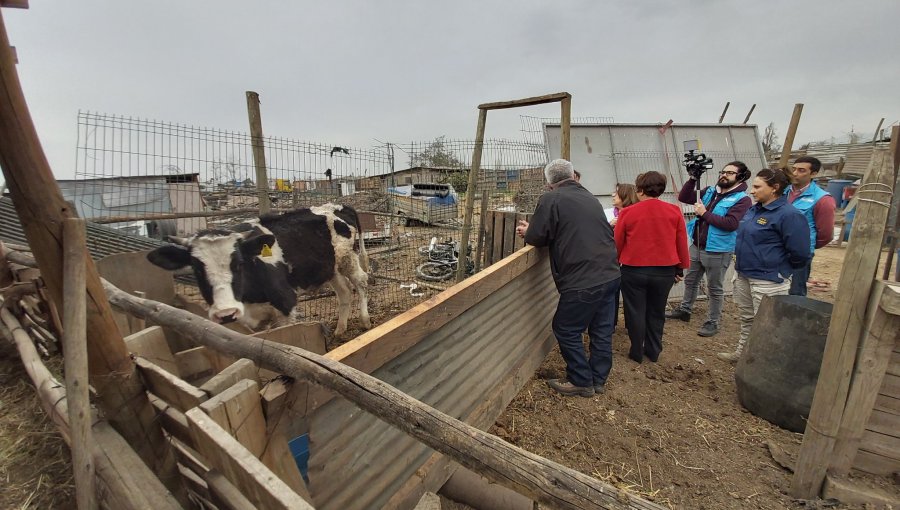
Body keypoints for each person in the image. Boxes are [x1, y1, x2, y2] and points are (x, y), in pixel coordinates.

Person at [516, 159, 620, 397]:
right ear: (574, 176)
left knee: (565, 328)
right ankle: (599, 379)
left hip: (583, 280)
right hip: (610, 274)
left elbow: (538, 236)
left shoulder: (551, 199)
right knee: (601, 330)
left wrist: (527, 231)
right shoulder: (589, 197)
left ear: (548, 183)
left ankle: (582, 380)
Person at [717, 168, 810, 362]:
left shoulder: (789, 215)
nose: (752, 191)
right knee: (748, 318)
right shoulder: (754, 209)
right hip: (744, 274)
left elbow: (800, 253)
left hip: (768, 280)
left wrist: (779, 269)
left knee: (769, 324)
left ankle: (765, 363)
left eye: (758, 187)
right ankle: (743, 354)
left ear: (775, 188)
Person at [665, 162, 752, 337]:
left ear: (741, 177)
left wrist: (704, 213)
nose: (724, 175)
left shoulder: (742, 199)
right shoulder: (710, 192)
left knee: (714, 287)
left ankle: (713, 321)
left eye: (730, 173)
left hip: (718, 250)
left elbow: (731, 224)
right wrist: (692, 179)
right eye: (723, 171)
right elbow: (685, 196)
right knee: (691, 280)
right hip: (697, 245)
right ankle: (685, 310)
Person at [614, 171, 690, 363]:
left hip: (633, 269)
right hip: (664, 270)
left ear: (639, 190)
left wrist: (614, 263)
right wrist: (681, 267)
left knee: (635, 311)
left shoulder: (627, 213)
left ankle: (636, 350)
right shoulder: (674, 211)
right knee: (656, 311)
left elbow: (618, 243)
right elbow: (681, 241)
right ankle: (654, 349)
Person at [786, 156, 835, 296]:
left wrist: (807, 244)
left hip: (799, 254)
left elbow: (825, 234)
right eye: (794, 169)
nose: (795, 173)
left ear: (813, 174)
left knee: (795, 292)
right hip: (777, 249)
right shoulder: (781, 192)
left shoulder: (822, 199)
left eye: (801, 170)